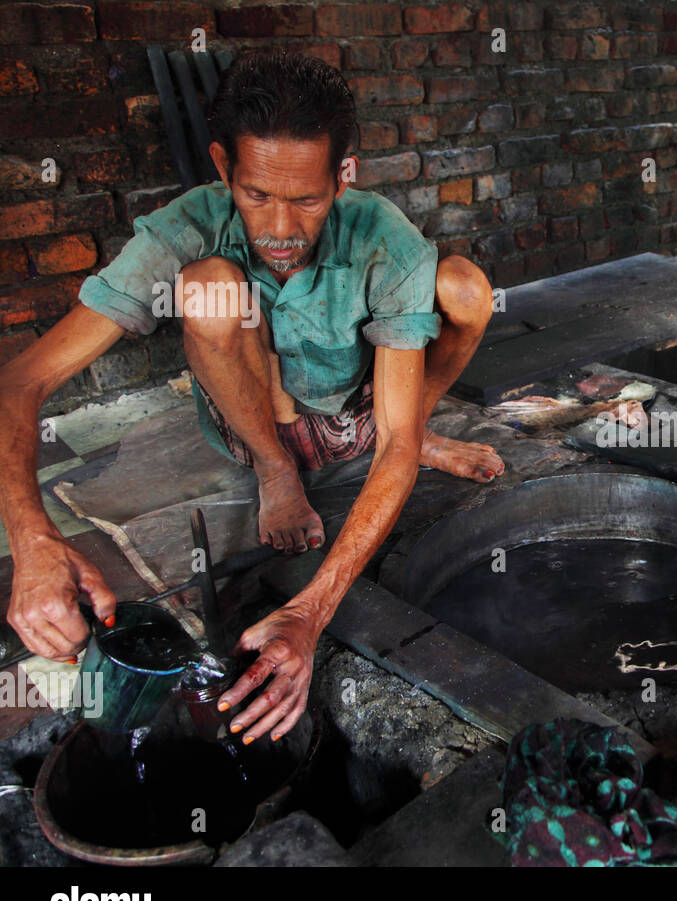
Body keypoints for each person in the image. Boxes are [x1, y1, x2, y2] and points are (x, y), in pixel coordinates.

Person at [0, 50, 504, 743]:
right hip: (258, 421)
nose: (281, 230)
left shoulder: (387, 240)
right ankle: (276, 469)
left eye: (308, 198)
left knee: (465, 291)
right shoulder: (187, 226)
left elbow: (387, 452)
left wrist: (312, 611)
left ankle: (420, 426)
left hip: (360, 416)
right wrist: (33, 542)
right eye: (257, 194)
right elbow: (18, 382)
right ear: (222, 167)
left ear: (343, 176)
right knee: (209, 285)